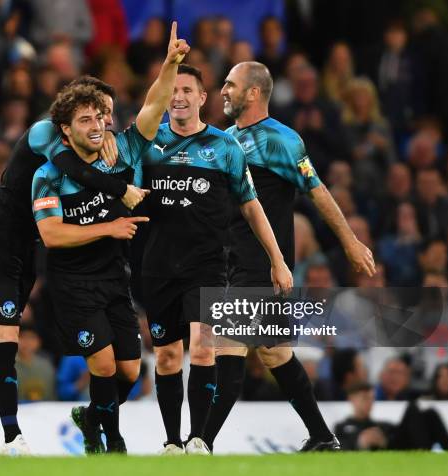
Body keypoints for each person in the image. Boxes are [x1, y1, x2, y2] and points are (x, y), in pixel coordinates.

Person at [0, 73, 148, 461]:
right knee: (6, 338)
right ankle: (12, 437)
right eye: (94, 115)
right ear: (70, 116)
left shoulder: (91, 140)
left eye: (106, 116)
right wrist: (121, 189)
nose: (103, 123)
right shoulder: (44, 134)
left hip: (26, 250)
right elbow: (76, 170)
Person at [32, 21, 189, 454]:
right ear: (65, 131)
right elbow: (51, 235)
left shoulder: (124, 151)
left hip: (113, 278)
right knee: (101, 364)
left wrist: (171, 64)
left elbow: (154, 106)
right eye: (85, 120)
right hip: (72, 283)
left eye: (100, 116)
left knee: (129, 371)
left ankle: (92, 417)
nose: (97, 124)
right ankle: (110, 440)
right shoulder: (47, 176)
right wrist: (110, 227)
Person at [202, 61, 375, 452]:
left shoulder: (281, 140)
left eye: (230, 85)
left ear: (253, 92)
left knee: (227, 347)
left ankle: (200, 442)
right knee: (276, 352)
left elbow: (318, 192)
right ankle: (322, 436)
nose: (223, 91)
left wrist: (349, 241)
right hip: (232, 260)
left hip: (260, 261)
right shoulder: (226, 139)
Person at [135, 63, 291, 455]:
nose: (179, 97)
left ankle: (199, 440)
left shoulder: (225, 147)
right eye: (173, 89)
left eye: (187, 90)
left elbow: (252, 207)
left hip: (206, 265)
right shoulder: (148, 144)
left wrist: (277, 258)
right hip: (157, 266)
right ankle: (172, 442)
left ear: (202, 98)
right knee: (168, 356)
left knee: (203, 348)